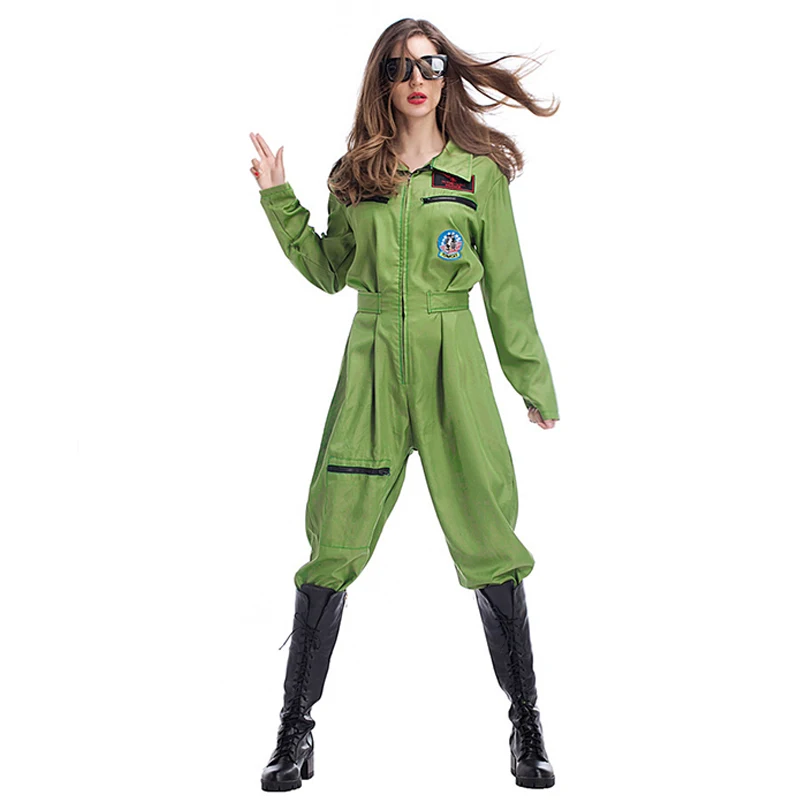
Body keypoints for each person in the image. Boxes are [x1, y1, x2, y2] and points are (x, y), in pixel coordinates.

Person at [250, 18, 561, 792]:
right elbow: (331, 270)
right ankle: (294, 732)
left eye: (429, 64)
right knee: (334, 539)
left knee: (490, 539)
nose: (416, 78)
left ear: (446, 75)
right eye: (398, 67)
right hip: (372, 368)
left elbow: (508, 290)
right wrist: (279, 199)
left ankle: (527, 726)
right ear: (382, 83)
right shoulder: (356, 173)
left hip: (455, 365)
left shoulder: (479, 175)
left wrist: (532, 383)